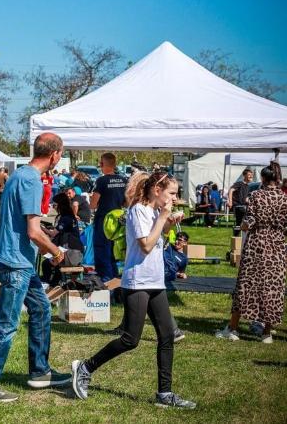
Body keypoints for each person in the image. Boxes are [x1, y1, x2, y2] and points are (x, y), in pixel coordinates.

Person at [71, 171, 195, 409]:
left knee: (167, 336)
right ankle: (85, 367)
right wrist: (164, 218)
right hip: (137, 282)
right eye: (171, 193)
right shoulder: (138, 210)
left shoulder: (156, 211)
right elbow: (146, 245)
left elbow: (160, 239)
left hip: (155, 282)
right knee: (130, 340)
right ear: (156, 191)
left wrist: (168, 221)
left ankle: (164, 393)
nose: (174, 198)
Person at [0, 133, 71, 402]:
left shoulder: (20, 175)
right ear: (54, 155)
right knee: (7, 324)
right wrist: (55, 252)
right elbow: (33, 231)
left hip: (20, 260)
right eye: (60, 154)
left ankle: (40, 372)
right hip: (16, 262)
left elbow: (27, 227)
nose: (59, 159)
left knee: (41, 309)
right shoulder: (31, 180)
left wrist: (44, 241)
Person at [216, 162, 287, 343]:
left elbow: (249, 221)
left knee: (245, 286)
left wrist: (243, 225)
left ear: (263, 178)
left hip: (256, 246)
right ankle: (267, 333)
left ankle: (232, 329)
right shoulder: (286, 199)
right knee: (272, 289)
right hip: (277, 248)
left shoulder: (256, 195)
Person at [90, 153, 127, 283]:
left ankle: (105, 282)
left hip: (103, 220)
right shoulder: (123, 180)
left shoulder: (101, 180)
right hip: (118, 220)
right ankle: (115, 279)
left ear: (102, 164)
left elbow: (93, 204)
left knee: (102, 251)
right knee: (114, 251)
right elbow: (126, 203)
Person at [164, 231, 189, 342]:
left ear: (185, 243)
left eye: (181, 240)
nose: (178, 241)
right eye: (177, 238)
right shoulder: (169, 248)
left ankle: (174, 331)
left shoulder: (183, 258)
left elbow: (181, 272)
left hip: (170, 275)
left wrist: (181, 274)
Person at [228, 169, 254, 237]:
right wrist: (230, 202)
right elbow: (231, 190)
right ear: (244, 175)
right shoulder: (239, 183)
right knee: (240, 223)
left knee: (242, 223)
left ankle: (239, 238)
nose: (251, 176)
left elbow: (245, 198)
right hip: (238, 207)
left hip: (244, 206)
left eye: (251, 175)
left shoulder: (247, 186)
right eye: (249, 175)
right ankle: (236, 238)